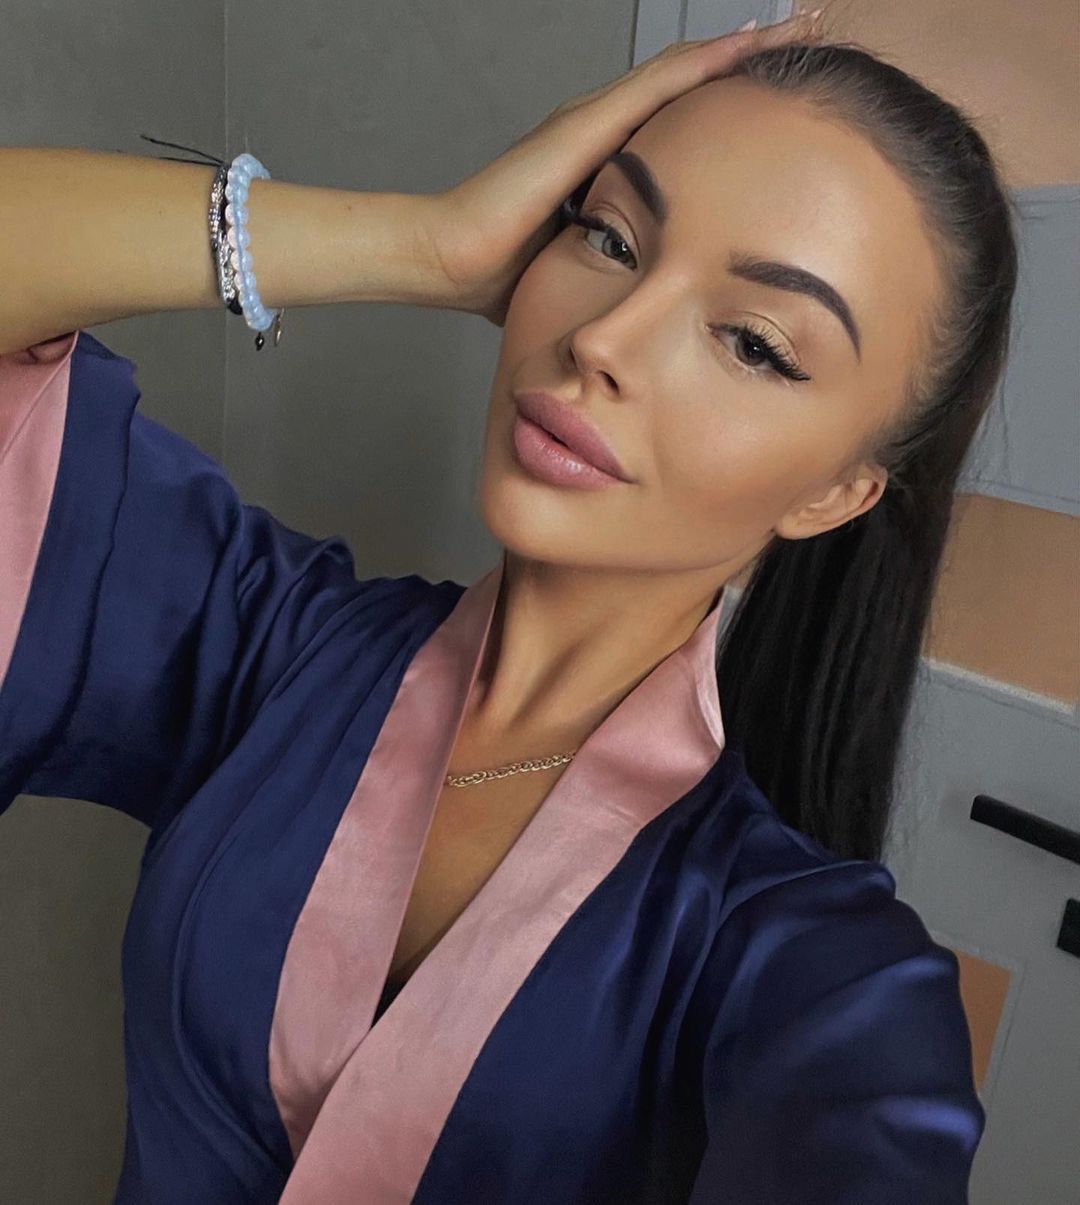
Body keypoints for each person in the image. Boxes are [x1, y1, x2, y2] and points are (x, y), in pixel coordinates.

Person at [0, 10, 1015, 1202]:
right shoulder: (263, 645)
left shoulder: (821, 978)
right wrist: (425, 243)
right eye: (610, 236)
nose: (604, 339)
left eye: (752, 342)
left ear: (836, 491)